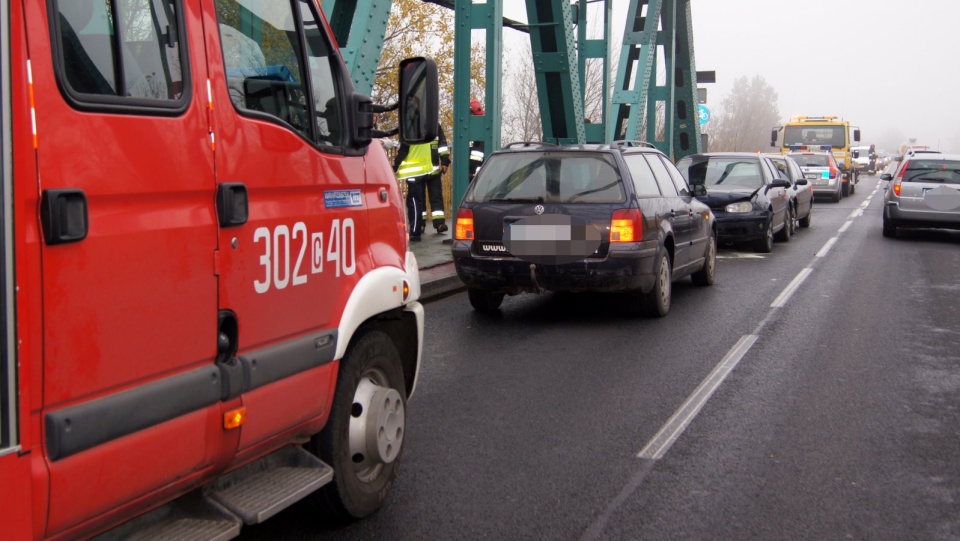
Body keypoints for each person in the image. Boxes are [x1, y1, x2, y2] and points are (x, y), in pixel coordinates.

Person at [393, 123, 450, 240]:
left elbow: (442, 145)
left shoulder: (427, 126)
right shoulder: (429, 126)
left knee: (428, 197)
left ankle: (436, 223)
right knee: (421, 198)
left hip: (425, 169)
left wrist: (444, 160)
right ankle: (421, 224)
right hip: (426, 167)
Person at [468, 100, 486, 183]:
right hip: (475, 175)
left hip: (476, 175)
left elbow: (477, 155)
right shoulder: (479, 132)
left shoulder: (479, 133)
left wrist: (471, 171)